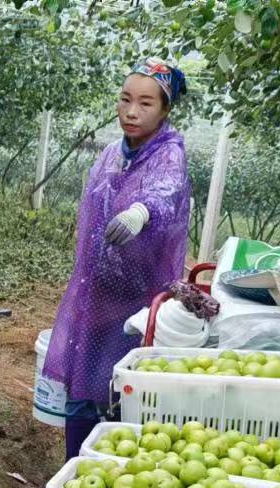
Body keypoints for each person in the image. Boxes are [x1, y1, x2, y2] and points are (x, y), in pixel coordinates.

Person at [43, 58, 192, 458]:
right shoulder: (111, 153)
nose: (131, 111)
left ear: (164, 110)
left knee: (121, 389)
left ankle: (111, 472)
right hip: (96, 289)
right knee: (81, 385)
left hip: (137, 296)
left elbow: (166, 191)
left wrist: (142, 212)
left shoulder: (169, 155)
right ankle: (75, 469)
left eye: (145, 103)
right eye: (125, 99)